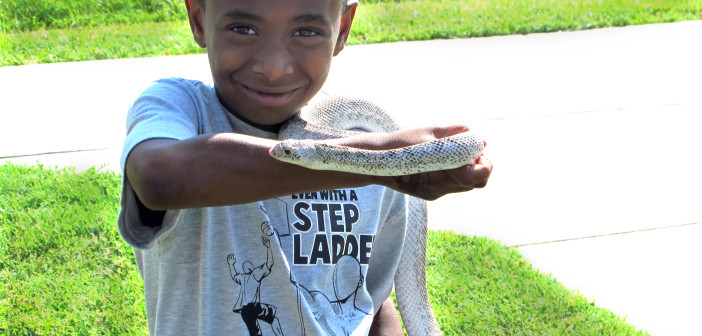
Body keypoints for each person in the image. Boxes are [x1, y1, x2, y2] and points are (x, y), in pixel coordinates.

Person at [117, 0, 493, 335]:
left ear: (342, 28)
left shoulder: (374, 139)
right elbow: (159, 178)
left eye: (306, 31)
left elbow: (369, 303)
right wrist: (378, 162)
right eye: (243, 28)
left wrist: (384, 161)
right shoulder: (179, 109)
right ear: (199, 19)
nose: (273, 68)